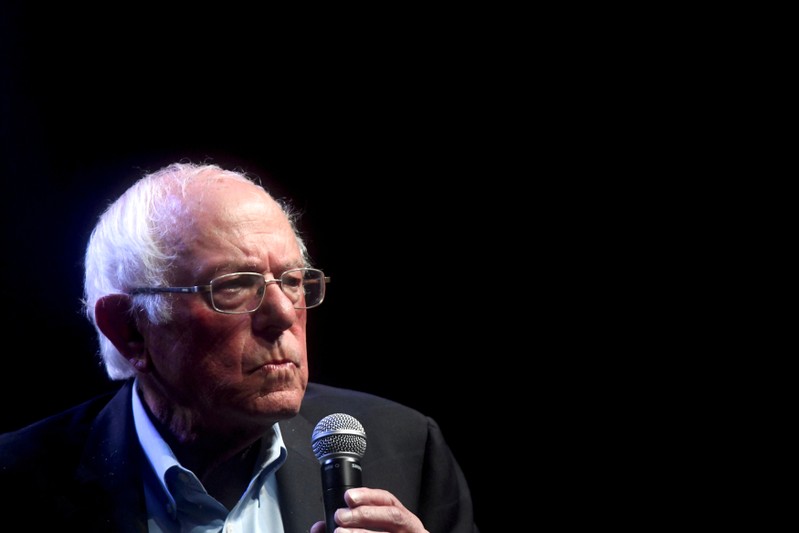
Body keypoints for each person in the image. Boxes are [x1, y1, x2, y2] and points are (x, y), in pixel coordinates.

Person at [0, 162, 479, 532]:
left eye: (292, 281)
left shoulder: (408, 449)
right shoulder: (18, 483)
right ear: (131, 329)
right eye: (234, 286)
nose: (284, 314)